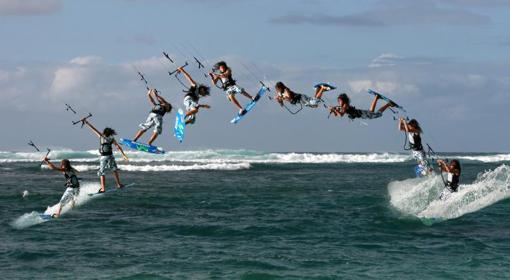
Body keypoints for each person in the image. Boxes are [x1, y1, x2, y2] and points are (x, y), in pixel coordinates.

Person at [83, 120, 128, 193]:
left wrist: (87, 123)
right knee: (114, 170)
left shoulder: (101, 137)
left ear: (104, 132)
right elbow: (118, 147)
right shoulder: (112, 139)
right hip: (110, 156)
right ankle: (118, 184)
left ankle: (103, 188)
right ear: (110, 133)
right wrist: (124, 155)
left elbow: (93, 129)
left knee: (102, 172)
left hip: (103, 157)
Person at [329, 93, 395, 120]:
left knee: (376, 114)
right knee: (371, 111)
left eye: (340, 100)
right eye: (338, 101)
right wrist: (333, 111)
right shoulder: (343, 107)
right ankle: (376, 97)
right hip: (360, 113)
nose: (339, 102)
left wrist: (334, 110)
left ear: (343, 100)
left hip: (360, 113)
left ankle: (388, 104)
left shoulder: (345, 105)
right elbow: (337, 115)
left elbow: (341, 115)